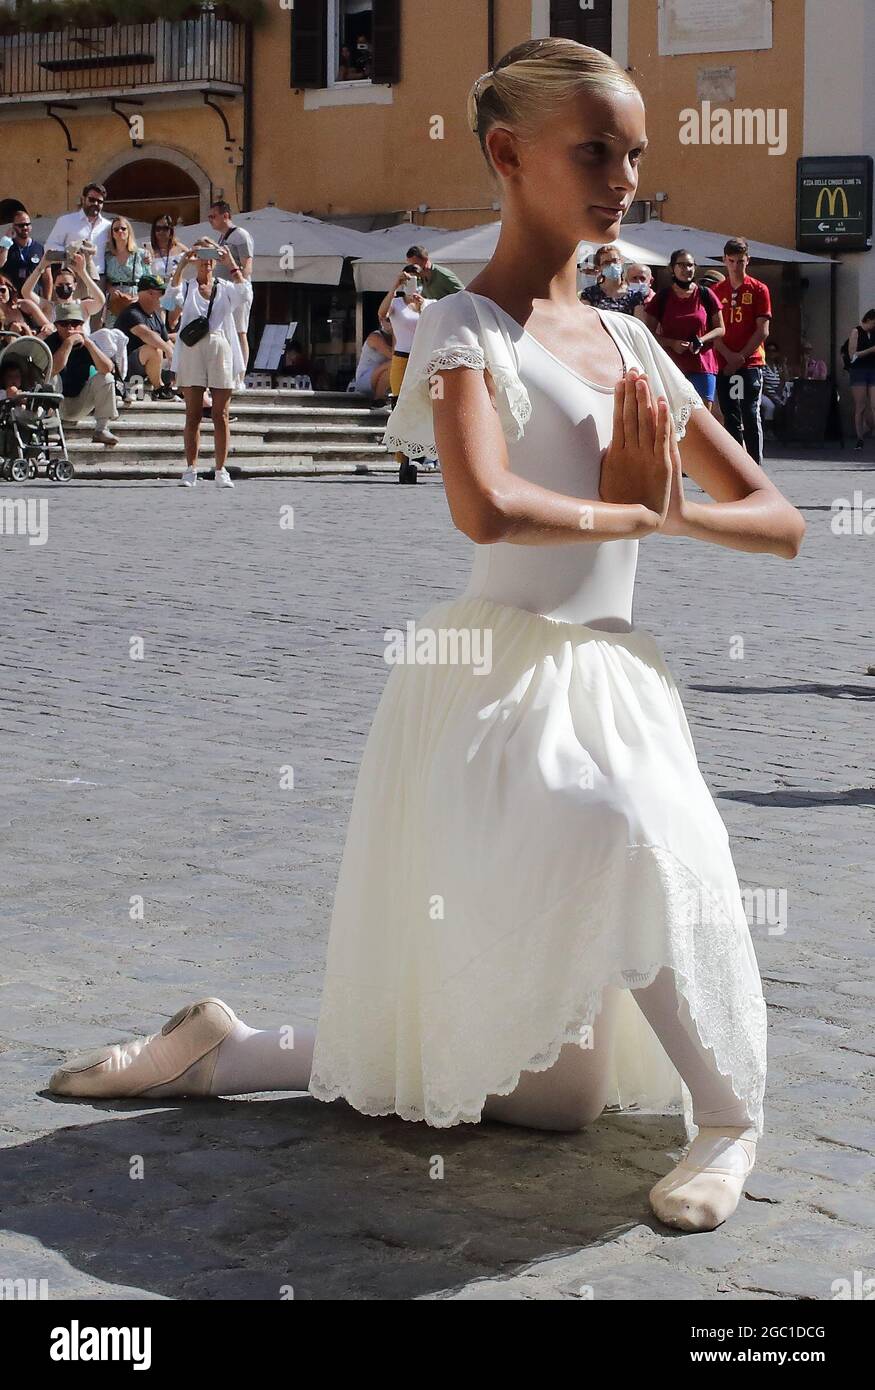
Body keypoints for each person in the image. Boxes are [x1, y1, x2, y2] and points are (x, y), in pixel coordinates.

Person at [47, 38, 806, 1238]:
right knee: (630, 826)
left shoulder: (632, 344)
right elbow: (483, 505)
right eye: (594, 151)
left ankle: (230, 1048)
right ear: (507, 155)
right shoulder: (460, 327)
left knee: (541, 1102)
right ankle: (727, 1118)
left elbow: (778, 521)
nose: (623, 178)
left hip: (611, 671)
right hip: (500, 678)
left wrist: (664, 511)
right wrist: (627, 506)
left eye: (635, 154)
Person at [163, 243, 252, 488]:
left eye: (211, 257)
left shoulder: (225, 288)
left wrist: (231, 264)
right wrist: (182, 263)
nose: (207, 261)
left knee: (220, 413)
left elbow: (246, 294)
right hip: (193, 349)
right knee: (192, 413)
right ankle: (191, 468)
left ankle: (221, 470)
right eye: (202, 257)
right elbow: (169, 301)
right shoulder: (189, 287)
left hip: (220, 345)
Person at [712, 238, 771, 464]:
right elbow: (713, 328)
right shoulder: (717, 290)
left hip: (750, 362)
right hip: (724, 361)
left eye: (741, 261)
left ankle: (754, 462)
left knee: (749, 410)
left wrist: (741, 356)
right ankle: (737, 463)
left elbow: (762, 330)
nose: (736, 266)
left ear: (748, 261)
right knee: (730, 413)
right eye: (732, 261)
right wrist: (727, 355)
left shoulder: (758, 289)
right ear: (725, 261)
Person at [642, 249, 725, 410]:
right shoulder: (663, 297)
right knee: (673, 412)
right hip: (671, 365)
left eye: (690, 265)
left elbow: (720, 329)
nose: (687, 269)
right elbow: (648, 333)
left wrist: (701, 340)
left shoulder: (705, 294)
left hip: (702, 364)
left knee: (702, 414)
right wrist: (671, 343)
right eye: (681, 265)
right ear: (672, 268)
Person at [377, 266, 436, 482]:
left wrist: (423, 307)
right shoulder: (397, 304)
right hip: (402, 358)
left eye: (417, 279)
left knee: (426, 404)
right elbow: (381, 314)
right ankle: (403, 458)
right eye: (410, 279)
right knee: (399, 404)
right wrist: (395, 286)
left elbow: (434, 326)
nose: (414, 284)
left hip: (423, 358)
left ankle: (427, 452)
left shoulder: (430, 305)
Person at [44, 301, 119, 445]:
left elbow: (107, 368)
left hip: (80, 402)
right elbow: (51, 370)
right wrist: (68, 344)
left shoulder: (87, 343)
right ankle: (51, 427)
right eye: (65, 324)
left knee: (106, 378)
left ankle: (101, 429)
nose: (70, 328)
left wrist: (89, 343)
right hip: (57, 405)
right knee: (51, 378)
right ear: (56, 325)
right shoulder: (50, 343)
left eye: (75, 323)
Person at [205, 200, 254, 372]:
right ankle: (228, 370)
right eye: (209, 216)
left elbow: (247, 264)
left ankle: (240, 375)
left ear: (225, 216)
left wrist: (241, 287)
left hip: (237, 289)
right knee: (227, 330)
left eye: (213, 216)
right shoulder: (223, 237)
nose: (210, 219)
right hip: (224, 290)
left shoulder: (240, 235)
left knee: (240, 331)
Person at [114, 274, 177, 398]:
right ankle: (159, 389)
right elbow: (146, 334)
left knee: (181, 354)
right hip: (124, 366)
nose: (163, 296)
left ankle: (182, 390)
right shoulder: (131, 313)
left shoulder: (155, 316)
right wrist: (168, 350)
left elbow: (166, 341)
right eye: (161, 292)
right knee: (154, 349)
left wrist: (177, 356)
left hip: (145, 368)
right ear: (150, 293)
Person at [45, 183, 112, 275]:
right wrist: (71, 253)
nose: (95, 204)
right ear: (83, 199)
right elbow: (49, 247)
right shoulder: (65, 221)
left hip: (98, 278)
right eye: (91, 200)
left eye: (99, 201)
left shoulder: (108, 226)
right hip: (72, 276)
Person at [102, 217, 151, 328]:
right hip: (115, 300)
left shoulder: (141, 254)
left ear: (129, 231)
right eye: (116, 229)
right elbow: (104, 278)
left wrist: (140, 297)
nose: (120, 231)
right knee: (113, 333)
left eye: (123, 228)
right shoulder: (107, 256)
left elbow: (148, 279)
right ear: (112, 234)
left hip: (135, 297)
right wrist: (111, 289)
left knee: (136, 332)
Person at [581, 245, 647, 314]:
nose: (612, 265)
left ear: (621, 262)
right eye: (606, 263)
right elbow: (584, 318)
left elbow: (639, 322)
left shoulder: (634, 295)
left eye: (614, 260)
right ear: (599, 267)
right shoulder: (590, 293)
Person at [0, 209, 51, 299]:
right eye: (21, 225)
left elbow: (47, 278)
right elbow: (1, 263)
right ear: (13, 226)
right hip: (12, 301)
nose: (25, 227)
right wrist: (7, 240)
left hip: (34, 299)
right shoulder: (7, 246)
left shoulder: (39, 248)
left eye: (27, 224)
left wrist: (47, 302)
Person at [846, 309, 875, 449]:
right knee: (861, 405)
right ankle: (859, 437)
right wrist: (871, 350)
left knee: (874, 404)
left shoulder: (874, 333)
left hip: (873, 369)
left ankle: (871, 428)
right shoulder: (856, 332)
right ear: (869, 319)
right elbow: (853, 355)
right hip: (859, 370)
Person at [352, 323, 393, 400]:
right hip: (364, 380)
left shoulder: (396, 339)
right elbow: (395, 356)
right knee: (394, 365)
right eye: (388, 320)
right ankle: (379, 400)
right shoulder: (375, 337)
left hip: (381, 378)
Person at [760, 340, 789, 437]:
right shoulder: (763, 366)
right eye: (769, 351)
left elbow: (784, 379)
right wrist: (773, 397)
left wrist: (784, 364)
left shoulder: (777, 366)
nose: (771, 353)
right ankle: (768, 430)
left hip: (777, 393)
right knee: (770, 406)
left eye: (774, 351)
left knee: (785, 404)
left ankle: (781, 430)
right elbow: (763, 384)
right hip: (765, 393)